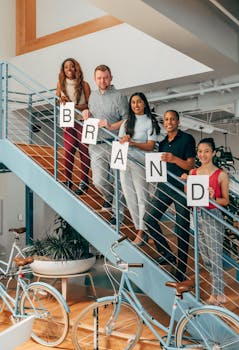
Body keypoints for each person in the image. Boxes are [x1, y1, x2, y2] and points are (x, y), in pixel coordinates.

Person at [144, 110, 196, 282]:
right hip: (164, 186)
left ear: (178, 122)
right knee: (149, 218)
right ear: (164, 123)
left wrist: (174, 159)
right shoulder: (163, 142)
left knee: (181, 229)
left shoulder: (187, 139)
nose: (169, 122)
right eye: (166, 119)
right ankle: (166, 254)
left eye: (172, 119)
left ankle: (181, 269)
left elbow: (190, 165)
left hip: (182, 188)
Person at [185, 137, 229, 305]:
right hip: (197, 216)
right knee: (206, 257)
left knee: (215, 256)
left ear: (213, 153)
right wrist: (186, 182)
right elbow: (189, 195)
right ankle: (220, 291)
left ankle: (216, 294)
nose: (202, 154)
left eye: (206, 151)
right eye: (200, 151)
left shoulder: (221, 175)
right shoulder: (193, 173)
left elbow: (225, 201)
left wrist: (212, 197)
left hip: (212, 216)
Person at [82, 64, 129, 224]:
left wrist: (110, 126)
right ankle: (108, 197)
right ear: (95, 79)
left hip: (116, 144)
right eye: (99, 78)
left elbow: (126, 120)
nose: (102, 81)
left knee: (119, 182)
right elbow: (91, 116)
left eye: (105, 77)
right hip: (96, 144)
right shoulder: (92, 96)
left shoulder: (120, 96)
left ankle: (118, 216)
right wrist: (86, 113)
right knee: (98, 181)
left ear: (111, 78)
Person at [119, 92, 160, 245]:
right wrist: (125, 140)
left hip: (141, 163)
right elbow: (121, 142)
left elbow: (150, 146)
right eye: (133, 102)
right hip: (125, 162)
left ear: (144, 104)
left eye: (139, 102)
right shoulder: (126, 123)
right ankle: (140, 228)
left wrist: (133, 143)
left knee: (142, 197)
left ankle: (142, 230)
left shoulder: (150, 122)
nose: (136, 105)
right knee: (129, 197)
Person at [56, 58, 91, 195]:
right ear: (63, 70)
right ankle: (68, 180)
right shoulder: (60, 84)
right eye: (66, 67)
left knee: (84, 151)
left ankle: (84, 181)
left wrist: (74, 107)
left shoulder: (85, 84)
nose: (69, 69)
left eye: (72, 66)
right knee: (69, 150)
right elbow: (57, 102)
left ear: (77, 68)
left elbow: (90, 104)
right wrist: (61, 101)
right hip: (68, 122)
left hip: (82, 121)